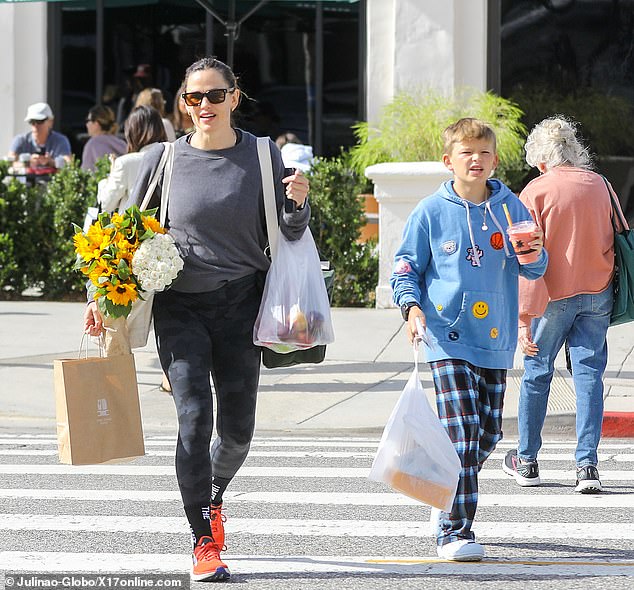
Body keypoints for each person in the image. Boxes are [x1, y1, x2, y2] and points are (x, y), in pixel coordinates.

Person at [83, 56, 310, 582]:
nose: (202, 106)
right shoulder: (163, 159)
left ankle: (214, 495)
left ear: (235, 96)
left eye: (213, 96)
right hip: (180, 307)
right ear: (181, 103)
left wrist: (297, 204)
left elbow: (290, 232)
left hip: (242, 305)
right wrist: (100, 297)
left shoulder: (261, 154)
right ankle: (202, 539)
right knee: (192, 419)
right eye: (192, 98)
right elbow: (128, 235)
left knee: (237, 433)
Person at [391, 118, 548, 562]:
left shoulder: (511, 207)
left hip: (495, 339)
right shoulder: (429, 211)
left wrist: (533, 251)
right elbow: (404, 266)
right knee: (461, 434)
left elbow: (535, 268)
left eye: (483, 153)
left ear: (495, 161)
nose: (475, 159)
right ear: (449, 161)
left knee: (489, 432)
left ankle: (445, 484)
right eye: (466, 152)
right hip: (446, 336)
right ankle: (453, 530)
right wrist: (412, 306)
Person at [502, 116, 625, 494]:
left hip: (551, 297)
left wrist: (523, 318)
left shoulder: (536, 191)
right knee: (589, 375)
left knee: (538, 374)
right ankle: (587, 466)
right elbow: (620, 234)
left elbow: (526, 257)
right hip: (597, 291)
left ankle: (527, 460)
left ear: (541, 160)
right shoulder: (601, 185)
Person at [97, 105, 167, 213]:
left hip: (135, 228)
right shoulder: (173, 157)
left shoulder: (125, 163)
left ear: (132, 132)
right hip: (167, 228)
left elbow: (106, 205)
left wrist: (107, 179)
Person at [8, 102, 72, 168]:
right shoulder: (20, 140)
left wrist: (50, 162)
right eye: (32, 122)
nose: (35, 126)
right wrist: (27, 163)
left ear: (50, 122)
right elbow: (8, 164)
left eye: (39, 121)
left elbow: (69, 164)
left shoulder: (60, 141)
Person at [81, 105, 127, 171]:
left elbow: (86, 172)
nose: (86, 124)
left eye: (88, 120)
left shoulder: (92, 144)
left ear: (96, 123)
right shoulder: (121, 143)